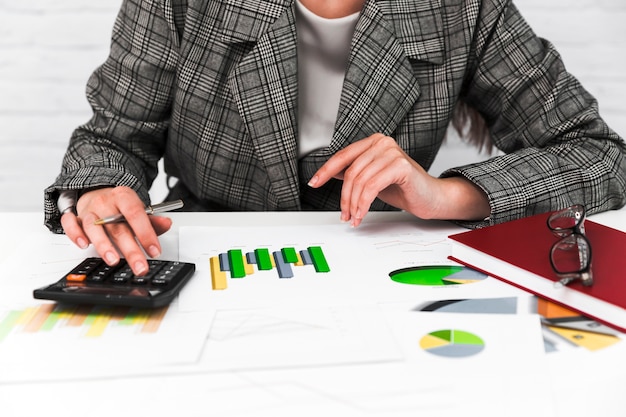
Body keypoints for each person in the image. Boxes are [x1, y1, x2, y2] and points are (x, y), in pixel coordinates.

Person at [45, 0, 626, 276]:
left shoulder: (463, 8)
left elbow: (601, 157)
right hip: (207, 261)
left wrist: (449, 196)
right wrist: (100, 189)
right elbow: (114, 142)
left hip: (384, 269)